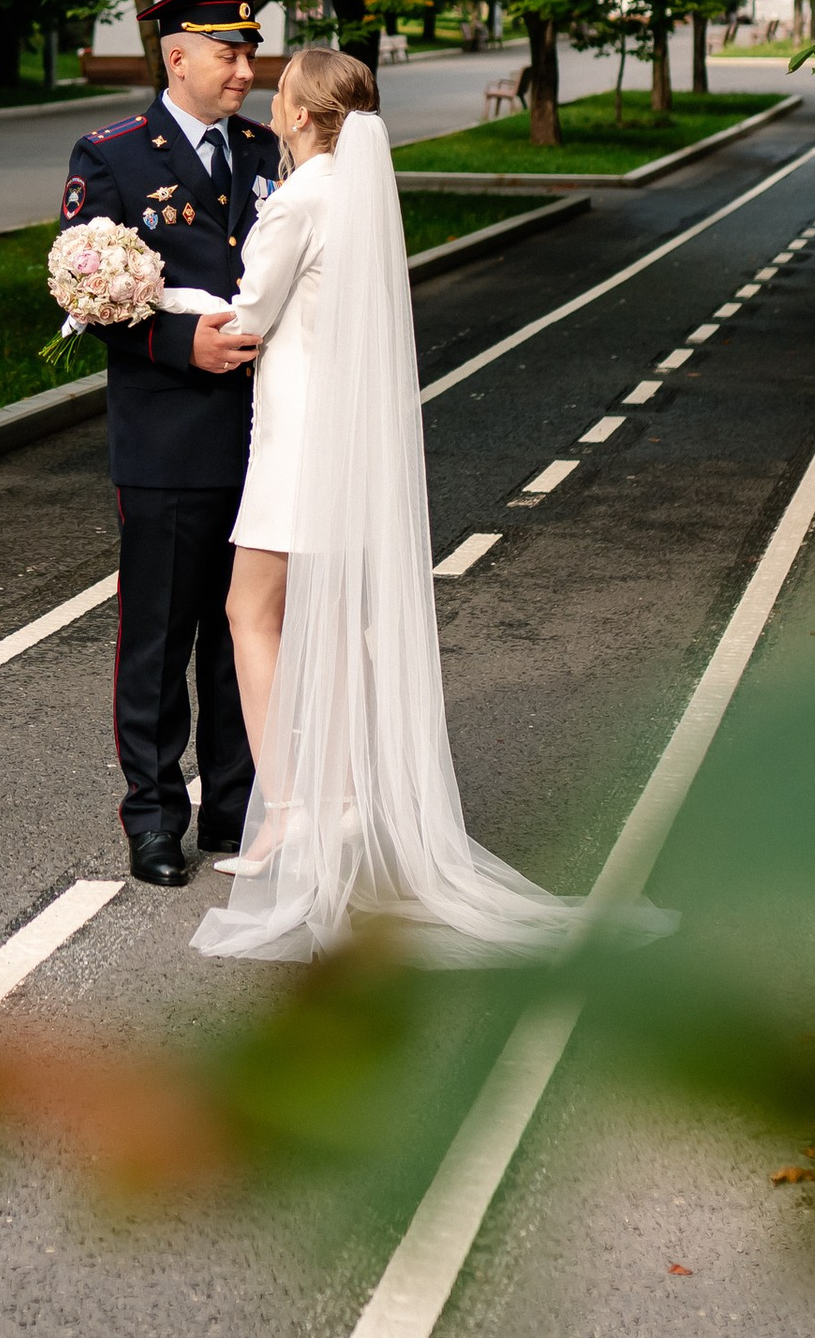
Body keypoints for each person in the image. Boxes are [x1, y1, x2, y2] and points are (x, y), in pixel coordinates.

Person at [196, 48, 638, 964]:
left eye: (281, 95)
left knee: (250, 612)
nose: (270, 104)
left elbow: (248, 316)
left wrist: (147, 297)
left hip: (294, 446)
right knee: (345, 619)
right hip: (349, 445)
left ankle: (289, 816)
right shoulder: (362, 199)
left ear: (305, 116)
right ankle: (354, 801)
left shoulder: (296, 199)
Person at [60, 0, 282, 888]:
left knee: (246, 632)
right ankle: (154, 817)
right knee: (158, 638)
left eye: (251, 54)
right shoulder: (112, 154)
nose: (245, 71)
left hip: (268, 434)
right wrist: (181, 342)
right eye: (231, 54)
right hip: (166, 436)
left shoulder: (268, 149)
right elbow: (89, 292)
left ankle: (234, 806)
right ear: (177, 54)